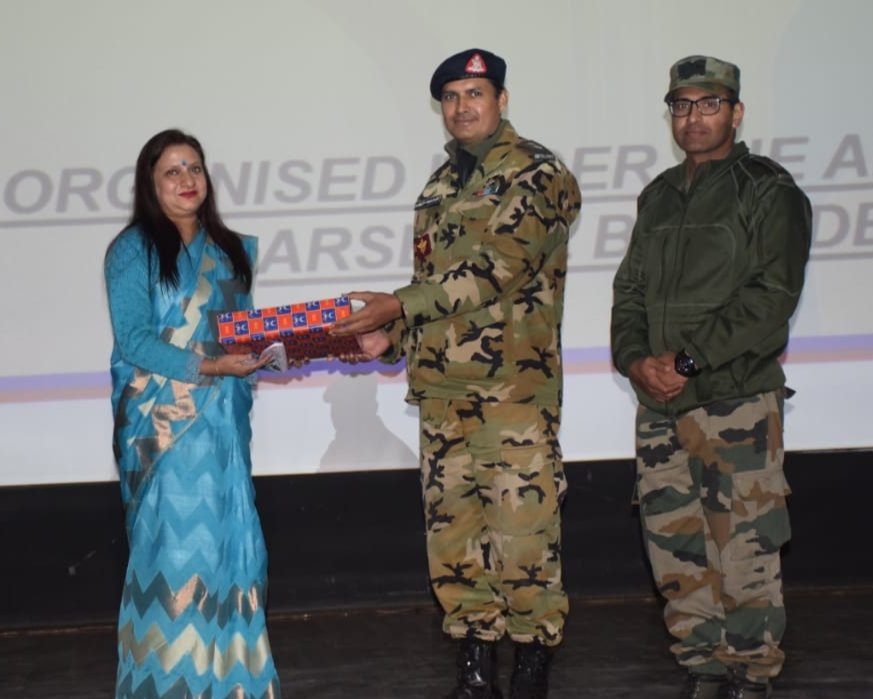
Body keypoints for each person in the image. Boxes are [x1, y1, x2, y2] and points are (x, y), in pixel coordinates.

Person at [333, 48, 581, 698]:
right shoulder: (439, 188)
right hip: (442, 396)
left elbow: (496, 270)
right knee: (456, 547)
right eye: (449, 96)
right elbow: (432, 289)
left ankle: (530, 669)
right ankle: (475, 671)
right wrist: (390, 336)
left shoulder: (538, 174)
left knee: (523, 540)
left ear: (500, 100)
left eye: (474, 93)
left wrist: (398, 304)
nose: (461, 107)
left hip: (510, 397)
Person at [610, 56, 812, 699]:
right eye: (681, 106)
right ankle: (702, 668)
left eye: (707, 105)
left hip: (736, 403)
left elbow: (771, 296)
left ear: (735, 111)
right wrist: (636, 360)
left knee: (745, 548)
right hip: (661, 405)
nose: (692, 118)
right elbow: (630, 292)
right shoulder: (659, 194)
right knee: (675, 547)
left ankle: (751, 674)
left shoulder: (768, 189)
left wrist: (688, 361)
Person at [104, 129, 281, 698]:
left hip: (223, 427)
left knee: (234, 553)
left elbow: (240, 333)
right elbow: (133, 341)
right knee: (177, 559)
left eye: (195, 169)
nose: (187, 181)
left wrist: (274, 350)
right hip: (165, 434)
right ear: (150, 185)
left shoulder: (231, 250)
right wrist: (212, 367)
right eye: (172, 172)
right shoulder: (133, 249)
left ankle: (233, 685)